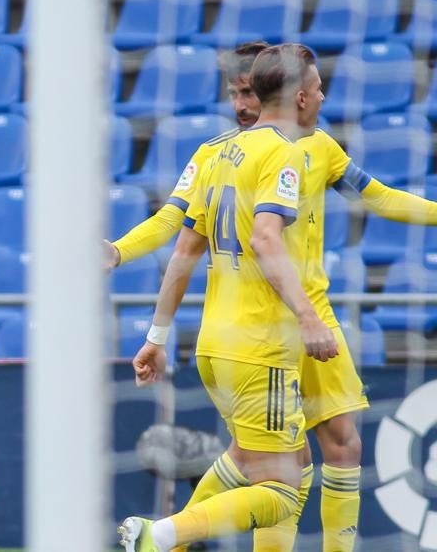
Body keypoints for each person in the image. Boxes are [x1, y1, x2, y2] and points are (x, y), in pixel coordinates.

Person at [111, 41, 437, 551]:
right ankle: (164, 536)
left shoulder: (315, 148)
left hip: (296, 318)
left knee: (329, 446)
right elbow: (179, 228)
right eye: (234, 93)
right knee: (280, 478)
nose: (240, 104)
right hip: (269, 329)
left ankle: (167, 538)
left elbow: (378, 196)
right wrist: (120, 252)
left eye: (247, 92)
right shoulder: (234, 152)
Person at [119, 44, 340, 552]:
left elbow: (182, 249)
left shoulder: (217, 152)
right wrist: (308, 317)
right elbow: (265, 238)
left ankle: (167, 543)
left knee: (253, 462)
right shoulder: (282, 153)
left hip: (215, 345)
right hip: (261, 344)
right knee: (283, 491)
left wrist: (157, 335)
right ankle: (161, 534)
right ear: (297, 95)